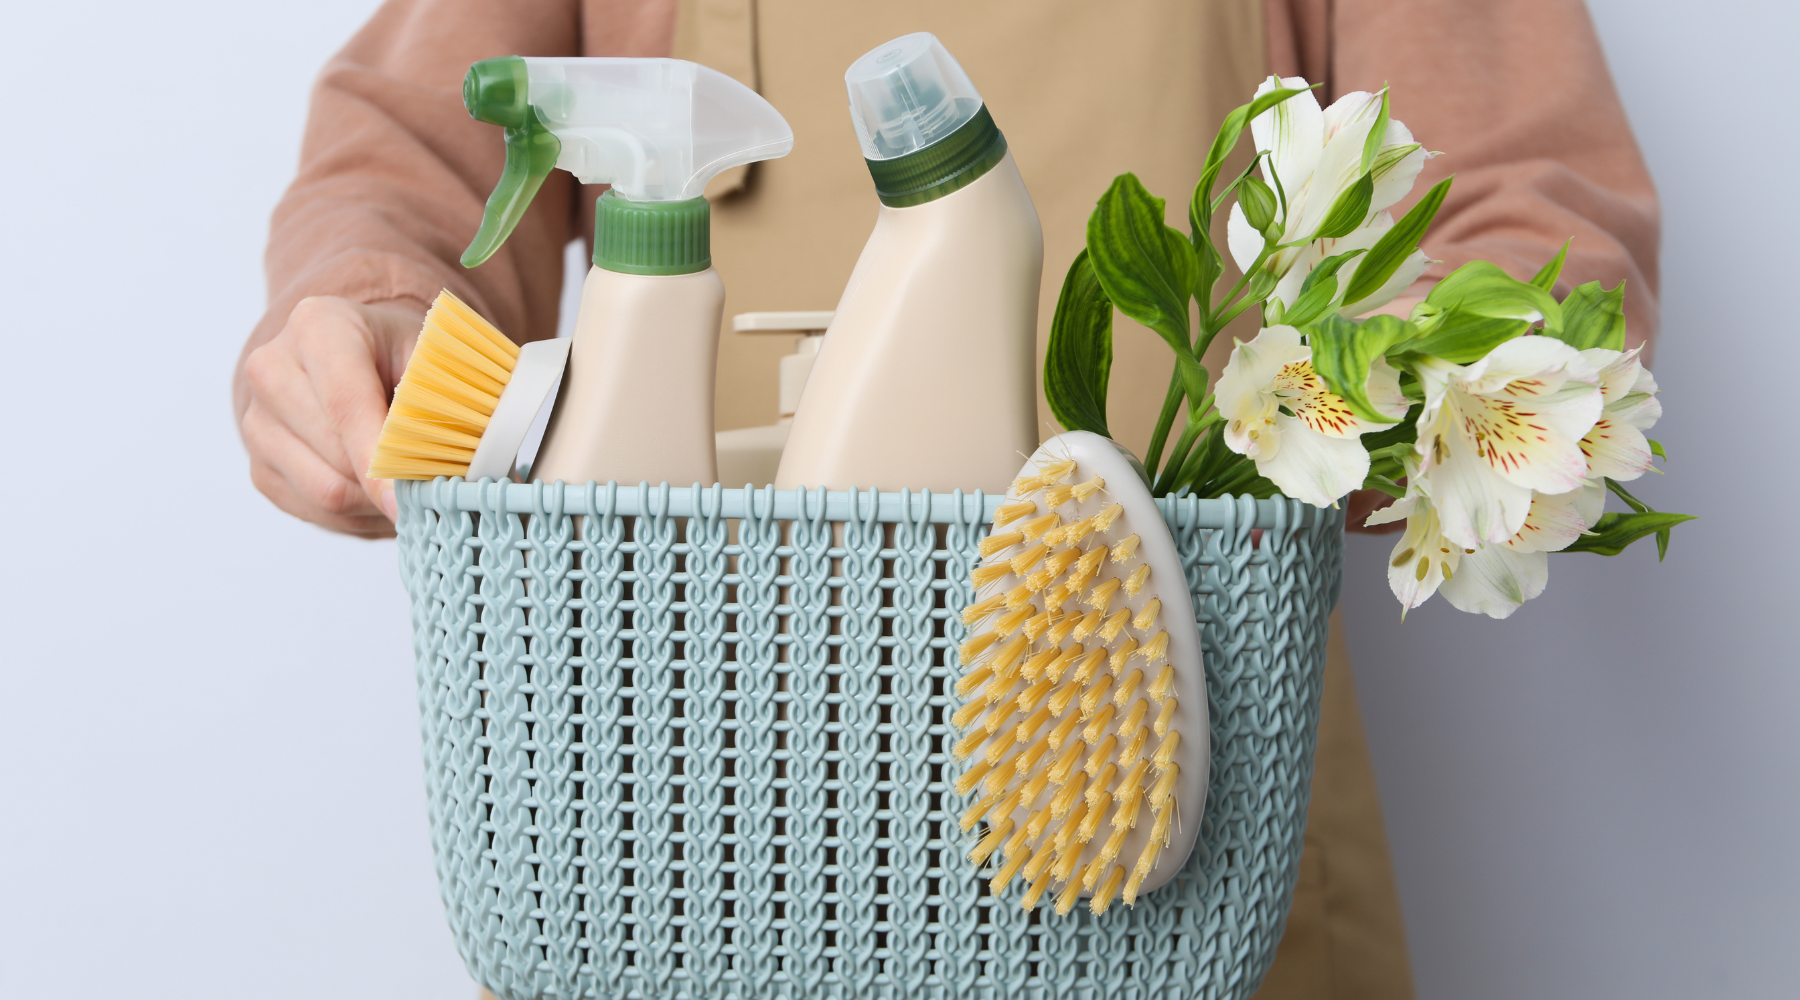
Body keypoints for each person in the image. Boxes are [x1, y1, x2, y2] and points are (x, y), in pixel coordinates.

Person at [235, 2, 1658, 996]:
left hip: (1167, 786)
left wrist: (1392, 390)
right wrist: (358, 323)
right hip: (676, 807)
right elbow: (413, 152)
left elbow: (1527, 219)